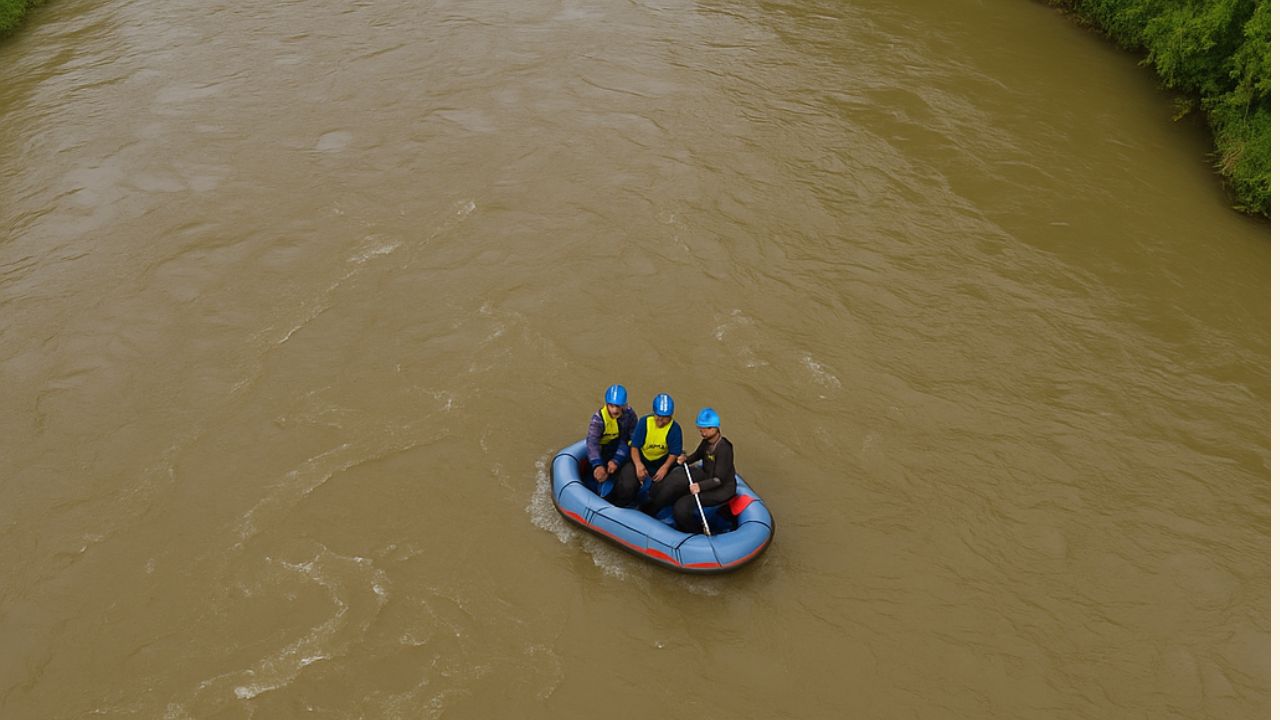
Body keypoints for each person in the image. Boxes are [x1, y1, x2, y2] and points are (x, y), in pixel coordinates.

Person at [643, 407, 737, 534]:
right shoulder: (707, 442)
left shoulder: (724, 448)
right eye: (700, 429)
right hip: (706, 477)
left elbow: (718, 479)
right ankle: (653, 505)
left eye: (704, 429)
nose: (701, 432)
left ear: (713, 428)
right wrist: (685, 460)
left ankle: (694, 531)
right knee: (676, 479)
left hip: (721, 489)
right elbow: (698, 455)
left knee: (681, 507)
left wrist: (699, 486)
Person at [613, 393, 683, 507]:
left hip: (660, 464)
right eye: (658, 417)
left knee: (660, 492)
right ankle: (620, 504)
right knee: (627, 486)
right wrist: (638, 465)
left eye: (665, 418)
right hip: (641, 459)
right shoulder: (644, 422)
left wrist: (665, 468)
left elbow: (674, 453)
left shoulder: (675, 429)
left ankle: (647, 508)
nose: (661, 422)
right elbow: (635, 446)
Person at [585, 384, 638, 499]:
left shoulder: (630, 415)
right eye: (611, 406)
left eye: (618, 407)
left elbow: (630, 439)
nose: (614, 410)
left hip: (621, 450)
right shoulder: (598, 419)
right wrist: (597, 465)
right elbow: (592, 443)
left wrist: (616, 460)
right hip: (603, 451)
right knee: (594, 478)